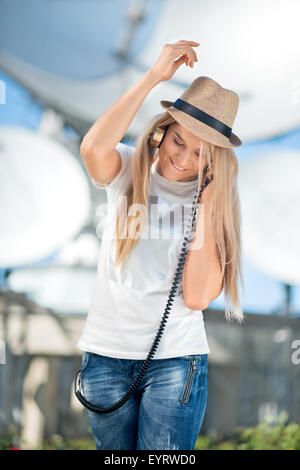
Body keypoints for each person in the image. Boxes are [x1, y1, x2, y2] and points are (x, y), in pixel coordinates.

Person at [76, 39, 244, 450]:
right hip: (105, 355)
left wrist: (205, 199)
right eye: (178, 141)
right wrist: (153, 77)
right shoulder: (129, 170)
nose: (184, 159)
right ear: (161, 132)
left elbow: (199, 295)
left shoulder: (213, 203)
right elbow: (92, 149)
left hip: (175, 361)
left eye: (201, 153)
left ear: (214, 160)